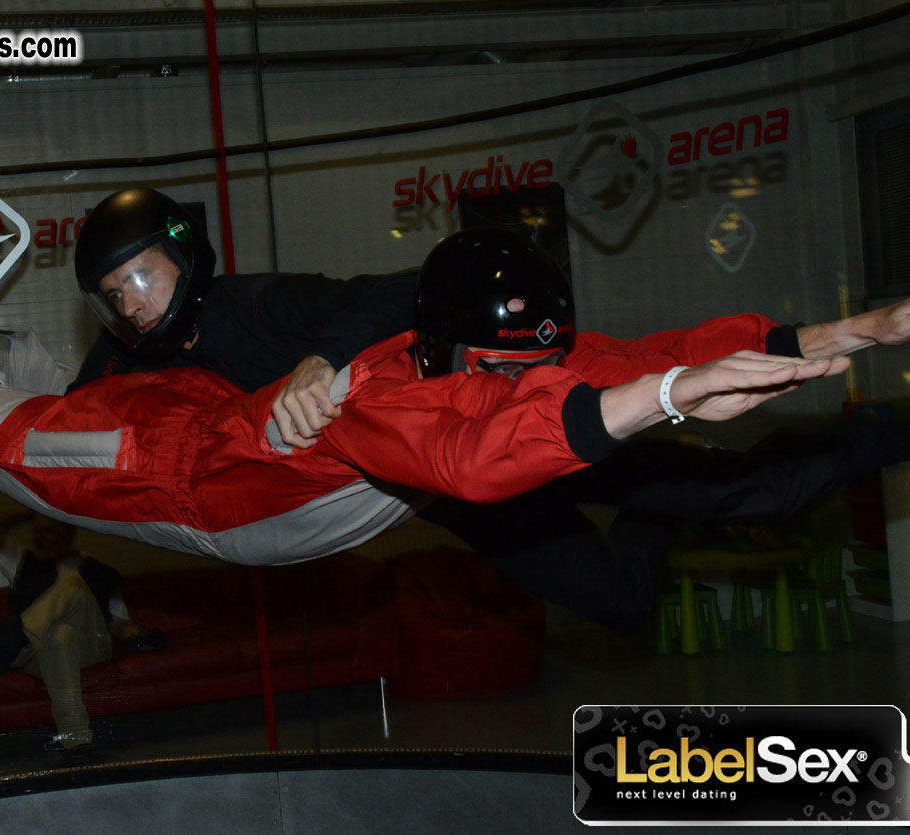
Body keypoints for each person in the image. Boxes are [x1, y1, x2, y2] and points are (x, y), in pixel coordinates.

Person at [0, 227, 848, 567]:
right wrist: (672, 394)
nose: (525, 384)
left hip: (203, 433)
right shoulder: (387, 403)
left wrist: (812, 335)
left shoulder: (480, 358)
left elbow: (608, 356)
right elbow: (478, 461)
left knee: (37, 402)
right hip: (173, 472)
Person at [68, 190, 910, 629]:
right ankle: (657, 503)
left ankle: (892, 427)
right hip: (446, 480)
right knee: (620, 603)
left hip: (499, 426)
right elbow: (68, 422)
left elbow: (403, 289)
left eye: (141, 277)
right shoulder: (127, 358)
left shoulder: (261, 305)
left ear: (184, 254)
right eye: (114, 294)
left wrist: (317, 363)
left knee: (760, 492)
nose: (132, 303)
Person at [0, 508, 161, 751]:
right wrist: (34, 509)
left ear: (67, 534)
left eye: (48, 531)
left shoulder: (99, 572)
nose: (39, 538)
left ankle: (24, 635)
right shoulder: (23, 562)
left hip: (88, 648)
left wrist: (138, 635)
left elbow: (118, 623)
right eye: (36, 531)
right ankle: (77, 742)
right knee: (60, 636)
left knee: (72, 587)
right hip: (39, 656)